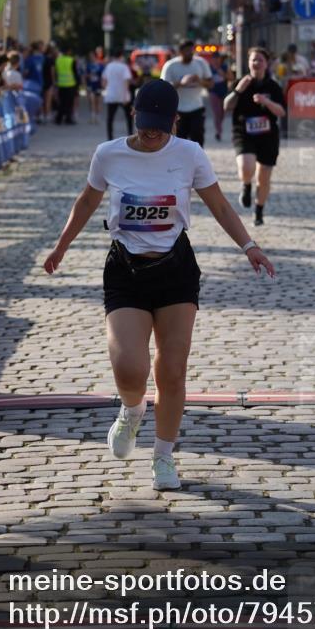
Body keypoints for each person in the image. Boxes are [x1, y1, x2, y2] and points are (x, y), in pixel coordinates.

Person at [43, 79, 275, 490]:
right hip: (125, 270)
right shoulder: (108, 154)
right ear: (133, 116)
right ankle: (132, 411)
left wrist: (249, 245)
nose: (151, 134)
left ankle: (164, 457)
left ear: (174, 121)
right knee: (129, 367)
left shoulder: (189, 154)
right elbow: (86, 202)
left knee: (171, 369)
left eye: (159, 126)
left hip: (175, 269)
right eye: (144, 124)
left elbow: (219, 204)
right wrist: (61, 247)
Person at [224, 47, 286, 226]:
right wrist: (237, 90)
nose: (256, 63)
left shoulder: (273, 86)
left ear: (266, 64)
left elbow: (281, 112)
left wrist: (267, 102)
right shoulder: (240, 82)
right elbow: (226, 106)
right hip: (243, 132)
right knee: (246, 166)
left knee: (264, 178)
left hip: (268, 136)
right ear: (248, 63)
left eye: (260, 60)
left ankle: (259, 210)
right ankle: (246, 185)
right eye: (253, 60)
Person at [160, 39, 213, 146]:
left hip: (197, 108)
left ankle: (197, 161)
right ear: (180, 52)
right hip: (178, 110)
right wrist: (181, 83)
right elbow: (163, 88)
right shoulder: (171, 65)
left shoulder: (201, 63)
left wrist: (199, 80)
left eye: (191, 50)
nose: (190, 53)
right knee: (179, 142)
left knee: (198, 141)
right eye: (187, 51)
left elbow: (211, 84)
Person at [102, 49, 133, 141]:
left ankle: (110, 138)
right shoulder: (124, 67)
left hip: (111, 95)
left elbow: (104, 81)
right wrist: (126, 95)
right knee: (128, 117)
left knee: (110, 118)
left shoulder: (108, 67)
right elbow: (127, 81)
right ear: (121, 56)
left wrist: (106, 89)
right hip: (122, 96)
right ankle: (130, 135)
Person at [208, 50, 232, 141]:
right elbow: (205, 79)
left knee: (222, 113)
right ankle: (218, 132)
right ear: (212, 60)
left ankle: (219, 127)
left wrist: (223, 74)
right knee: (217, 113)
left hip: (223, 92)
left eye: (218, 59)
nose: (216, 60)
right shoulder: (209, 68)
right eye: (214, 59)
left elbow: (231, 78)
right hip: (213, 92)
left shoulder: (224, 67)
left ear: (220, 59)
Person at [54, 45, 79, 124]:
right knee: (69, 103)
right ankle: (68, 118)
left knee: (62, 102)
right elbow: (75, 73)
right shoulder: (71, 60)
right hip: (70, 84)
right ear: (69, 52)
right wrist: (77, 84)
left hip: (61, 84)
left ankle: (59, 119)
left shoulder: (58, 60)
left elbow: (56, 72)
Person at [86, 47, 105, 124]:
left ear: (95, 56)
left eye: (92, 56)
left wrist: (103, 84)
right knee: (91, 101)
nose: (91, 58)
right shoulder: (88, 65)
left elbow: (103, 76)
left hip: (98, 85)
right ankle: (92, 117)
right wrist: (88, 77)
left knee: (98, 101)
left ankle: (98, 117)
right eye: (89, 56)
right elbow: (85, 75)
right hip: (90, 85)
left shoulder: (100, 65)